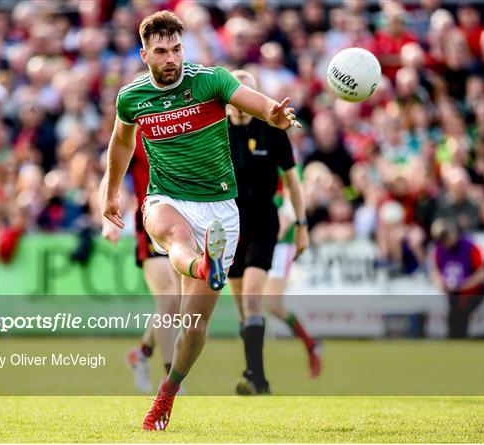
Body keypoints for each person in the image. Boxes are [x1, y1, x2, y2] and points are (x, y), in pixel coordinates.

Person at [102, 11, 300, 431]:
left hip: (220, 209)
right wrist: (109, 194)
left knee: (193, 326)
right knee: (174, 234)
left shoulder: (211, 80)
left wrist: (275, 115)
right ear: (144, 54)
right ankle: (201, 265)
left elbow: (255, 103)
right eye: (161, 51)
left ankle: (166, 394)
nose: (170, 57)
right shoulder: (131, 97)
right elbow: (120, 144)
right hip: (166, 197)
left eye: (176, 48)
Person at [226, 70, 309, 395]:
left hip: (263, 222)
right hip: (230, 225)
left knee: (252, 297)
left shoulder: (272, 130)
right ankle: (256, 375)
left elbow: (292, 181)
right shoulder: (217, 131)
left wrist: (301, 225)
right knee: (242, 308)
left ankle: (255, 376)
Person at [101, 127, 180, 394]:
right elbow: (112, 174)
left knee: (178, 304)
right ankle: (171, 379)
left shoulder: (185, 123)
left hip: (184, 222)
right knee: (168, 299)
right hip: (150, 223)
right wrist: (107, 217)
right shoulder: (137, 131)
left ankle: (142, 352)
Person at [263, 187, 321, 379]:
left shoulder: (282, 175)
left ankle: (310, 343)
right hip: (266, 244)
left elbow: (285, 220)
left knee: (273, 305)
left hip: (278, 247)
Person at [429, 218, 484, 338]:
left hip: (472, 293)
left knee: (460, 315)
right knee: (454, 317)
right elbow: (435, 271)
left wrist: (461, 286)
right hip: (453, 294)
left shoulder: (470, 247)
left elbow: (482, 274)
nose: (445, 241)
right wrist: (440, 282)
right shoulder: (439, 249)